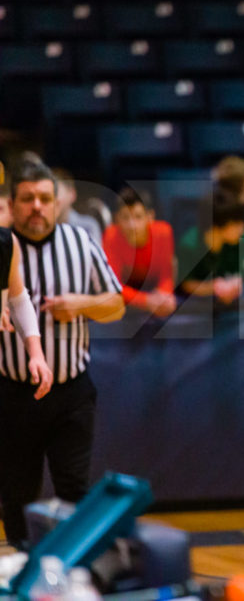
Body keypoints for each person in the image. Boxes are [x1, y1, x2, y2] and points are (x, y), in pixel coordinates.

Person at [0, 159, 124, 549]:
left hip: (70, 390)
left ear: (57, 203)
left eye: (44, 198)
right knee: (16, 493)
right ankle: (23, 563)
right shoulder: (5, 245)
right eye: (27, 199)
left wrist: (81, 304)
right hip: (13, 392)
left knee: (74, 485)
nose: (37, 206)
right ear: (12, 202)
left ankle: (74, 567)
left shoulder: (80, 242)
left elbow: (117, 304)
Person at [102, 186, 177, 318]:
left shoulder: (164, 232)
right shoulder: (111, 235)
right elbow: (114, 285)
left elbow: (166, 275)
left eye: (138, 217)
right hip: (125, 302)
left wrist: (164, 295)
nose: (132, 225)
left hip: (155, 294)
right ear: (116, 219)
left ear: (150, 217)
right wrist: (146, 301)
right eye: (125, 217)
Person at [176, 188, 244, 305]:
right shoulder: (188, 244)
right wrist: (214, 287)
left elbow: (242, 274)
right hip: (195, 306)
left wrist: (235, 285)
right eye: (237, 223)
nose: (243, 228)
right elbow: (187, 284)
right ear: (217, 226)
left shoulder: (241, 239)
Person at [52, 167, 104, 247]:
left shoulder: (88, 226)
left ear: (72, 194)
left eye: (56, 192)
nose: (52, 198)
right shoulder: (42, 228)